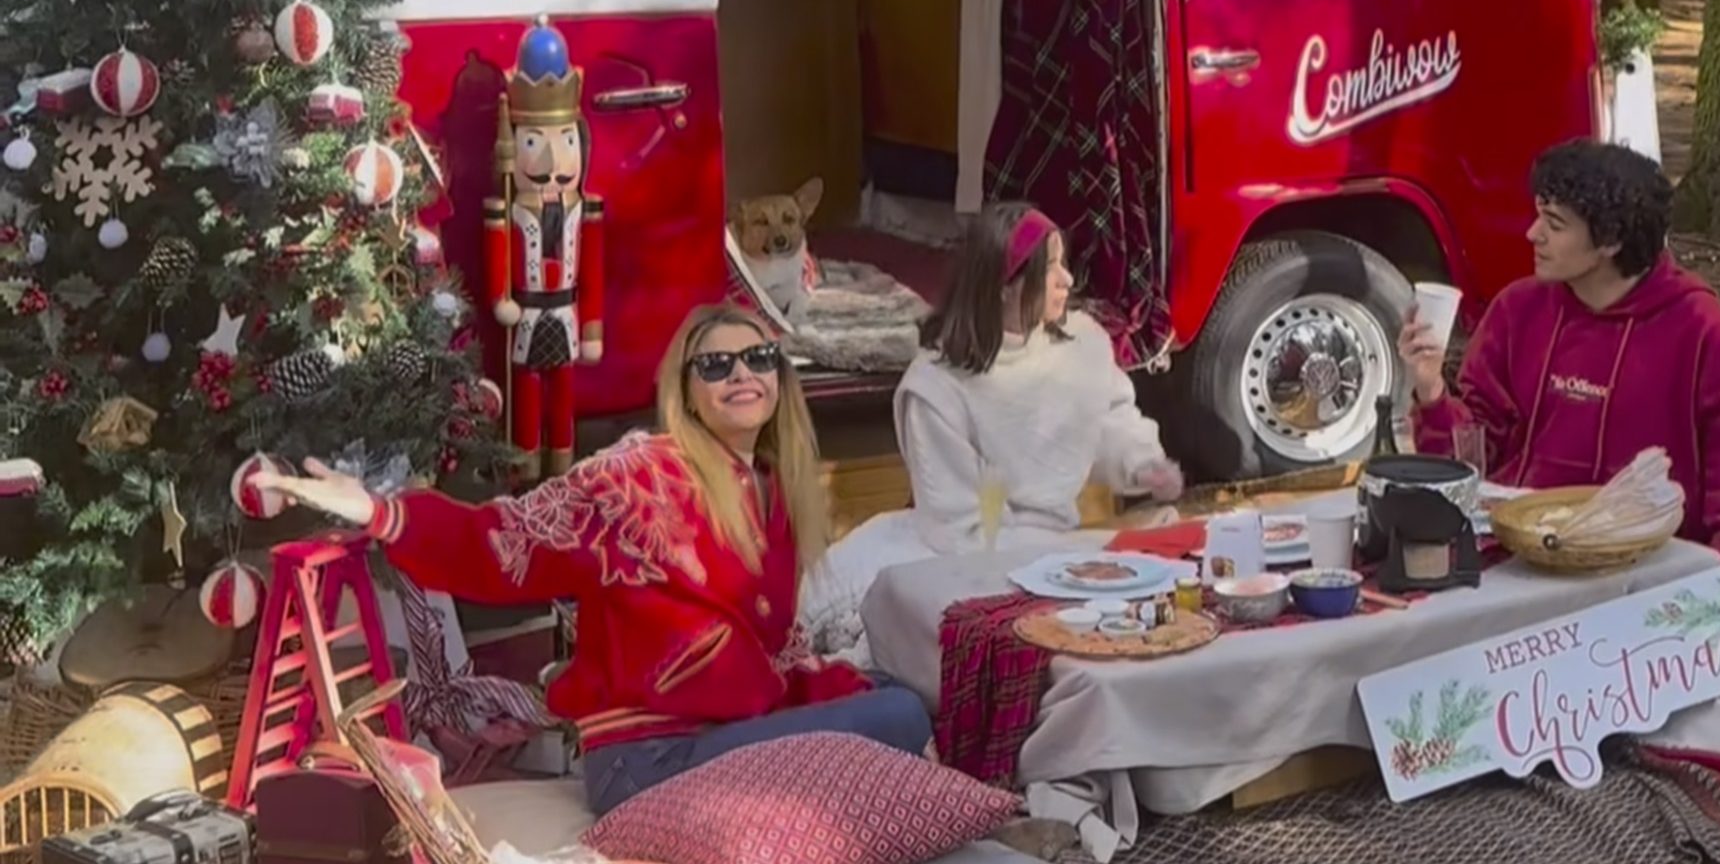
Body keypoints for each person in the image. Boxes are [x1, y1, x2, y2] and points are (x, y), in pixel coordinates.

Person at [256, 304, 932, 815]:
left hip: (729, 733)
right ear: (686, 389)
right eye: (717, 364)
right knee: (899, 719)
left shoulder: (774, 493)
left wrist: (844, 688)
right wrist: (382, 511)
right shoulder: (637, 478)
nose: (742, 375)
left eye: (758, 359)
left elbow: (781, 656)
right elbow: (502, 544)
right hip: (650, 761)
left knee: (896, 695)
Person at [801, 204, 1184, 662]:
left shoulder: (1084, 344)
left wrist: (1143, 464)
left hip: (1048, 540)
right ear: (1007, 287)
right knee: (856, 628)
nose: (1068, 280)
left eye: (1064, 262)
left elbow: (1108, 421)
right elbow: (957, 525)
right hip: (953, 547)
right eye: (1051, 268)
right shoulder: (937, 386)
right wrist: (1058, 562)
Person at [1397, 140, 1720, 560]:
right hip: (1514, 559)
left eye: (1554, 224)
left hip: (1648, 575)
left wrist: (1718, 588)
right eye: (1539, 215)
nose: (1532, 234)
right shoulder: (1517, 309)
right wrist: (1430, 390)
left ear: (1610, 241)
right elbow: (1471, 464)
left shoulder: (1702, 329)